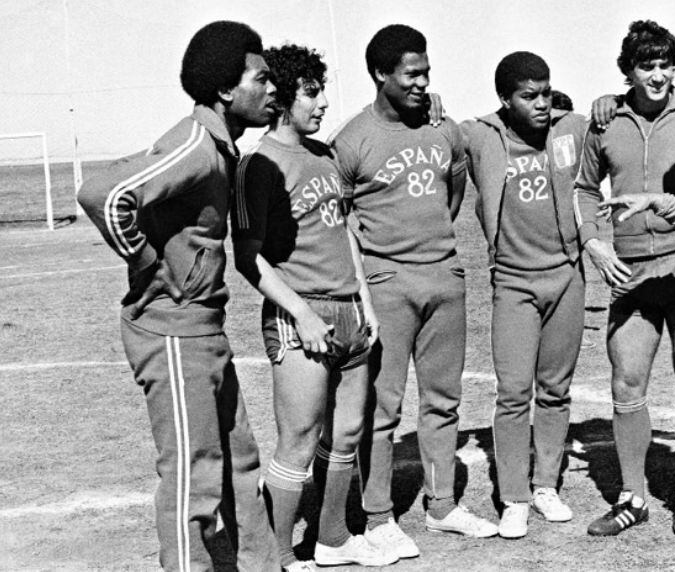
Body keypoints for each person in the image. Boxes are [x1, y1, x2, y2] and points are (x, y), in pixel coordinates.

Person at [77, 21, 279, 571]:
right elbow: (104, 193)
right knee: (194, 474)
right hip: (170, 330)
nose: (272, 88)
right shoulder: (195, 144)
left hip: (204, 330)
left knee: (240, 463)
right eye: (260, 79)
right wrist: (146, 262)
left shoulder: (221, 147)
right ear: (223, 89)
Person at [330, 24, 498, 559]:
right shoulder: (352, 139)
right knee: (382, 408)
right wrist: (379, 268)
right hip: (386, 285)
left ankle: (442, 505)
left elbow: (451, 195)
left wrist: (430, 248)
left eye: (427, 73)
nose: (423, 83)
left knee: (444, 401)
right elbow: (338, 219)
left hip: (444, 277)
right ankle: (378, 516)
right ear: (381, 74)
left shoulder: (442, 129)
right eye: (411, 74)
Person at [232, 44, 397, 570]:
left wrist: (366, 301)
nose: (323, 102)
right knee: (299, 441)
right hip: (301, 316)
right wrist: (301, 313)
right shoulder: (258, 165)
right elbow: (247, 258)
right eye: (311, 92)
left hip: (350, 311)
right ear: (281, 97)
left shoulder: (324, 155)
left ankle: (332, 539)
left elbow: (343, 230)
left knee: (346, 432)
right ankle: (279, 555)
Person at [574, 19, 675, 537]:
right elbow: (585, 190)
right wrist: (595, 245)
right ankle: (633, 498)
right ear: (628, 70)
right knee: (626, 383)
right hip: (631, 274)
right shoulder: (606, 120)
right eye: (646, 66)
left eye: (666, 65)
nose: (658, 76)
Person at [461, 51, 586, 539]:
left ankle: (545, 485)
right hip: (513, 283)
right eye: (527, 96)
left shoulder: (572, 128)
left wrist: (604, 102)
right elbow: (438, 134)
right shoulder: (480, 137)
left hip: (568, 279)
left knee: (555, 390)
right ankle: (513, 496)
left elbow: (618, 120)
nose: (540, 104)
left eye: (546, 93)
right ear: (504, 100)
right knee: (513, 392)